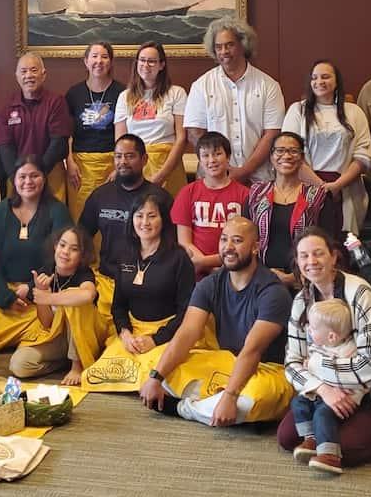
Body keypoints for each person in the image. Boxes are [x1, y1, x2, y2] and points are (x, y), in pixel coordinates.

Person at [279, 228, 371, 467]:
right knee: (287, 437)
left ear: (333, 257)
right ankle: (326, 438)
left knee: (345, 449)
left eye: (318, 253)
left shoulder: (360, 292)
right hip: (324, 393)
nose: (311, 261)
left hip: (367, 393)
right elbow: (291, 364)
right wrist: (323, 390)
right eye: (304, 256)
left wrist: (316, 365)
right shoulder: (301, 301)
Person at [138, 216, 294, 426]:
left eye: (237, 241)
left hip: (267, 370)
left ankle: (182, 407)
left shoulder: (273, 292)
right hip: (226, 363)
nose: (228, 247)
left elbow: (252, 351)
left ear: (255, 247)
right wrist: (156, 377)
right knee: (154, 363)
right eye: (223, 240)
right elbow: (186, 333)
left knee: (253, 397)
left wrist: (230, 396)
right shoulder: (210, 284)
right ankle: (210, 404)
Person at [83, 193, 195, 392]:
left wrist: (155, 340)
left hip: (168, 333)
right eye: (139, 215)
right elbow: (119, 305)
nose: (145, 222)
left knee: (159, 369)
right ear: (131, 219)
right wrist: (125, 334)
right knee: (97, 374)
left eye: (152, 216)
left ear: (163, 220)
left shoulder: (179, 258)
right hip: (134, 332)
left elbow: (187, 312)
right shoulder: (125, 254)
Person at [78, 134, 172, 319]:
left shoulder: (160, 198)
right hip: (106, 282)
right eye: (118, 156)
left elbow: (171, 246)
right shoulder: (100, 195)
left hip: (146, 284)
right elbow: (81, 237)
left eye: (130, 156)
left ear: (144, 159)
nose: (123, 162)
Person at [0, 155, 74, 350]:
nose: (28, 182)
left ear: (44, 178)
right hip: (5, 298)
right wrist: (4, 296)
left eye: (34, 176)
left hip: (42, 296)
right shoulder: (1, 211)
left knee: (50, 329)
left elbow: (62, 258)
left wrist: (30, 287)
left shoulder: (57, 211)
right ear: (14, 180)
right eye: (22, 176)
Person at [184, 17, 284, 184]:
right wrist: (220, 168)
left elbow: (272, 134)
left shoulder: (268, 85)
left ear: (243, 45)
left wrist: (245, 171)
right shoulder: (201, 86)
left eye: (229, 45)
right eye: (218, 47)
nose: (224, 51)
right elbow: (195, 133)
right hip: (213, 180)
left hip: (259, 179)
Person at [282, 59, 371, 236]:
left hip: (345, 188)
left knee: (342, 244)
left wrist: (337, 186)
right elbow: (289, 152)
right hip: (306, 185)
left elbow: (364, 155)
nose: (319, 82)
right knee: (308, 240)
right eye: (314, 78)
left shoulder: (354, 112)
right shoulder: (297, 111)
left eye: (325, 77)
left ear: (336, 81)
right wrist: (321, 187)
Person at [7, 226, 104, 385]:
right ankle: (63, 362)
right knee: (18, 365)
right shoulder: (47, 271)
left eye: (74, 249)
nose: (65, 252)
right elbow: (47, 323)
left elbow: (88, 295)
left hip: (84, 338)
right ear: (55, 246)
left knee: (74, 299)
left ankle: (76, 366)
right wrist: (41, 291)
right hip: (58, 338)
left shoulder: (84, 273)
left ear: (82, 255)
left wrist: (50, 297)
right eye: (62, 245)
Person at [244, 132, 332, 287]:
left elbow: (329, 243)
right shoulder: (257, 193)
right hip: (259, 280)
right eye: (280, 150)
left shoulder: (318, 196)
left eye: (293, 151)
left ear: (302, 158)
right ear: (271, 156)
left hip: (306, 281)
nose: (286, 156)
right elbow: (246, 238)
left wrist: (293, 278)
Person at [289, 299, 364, 474]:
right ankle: (311, 439)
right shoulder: (319, 346)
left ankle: (330, 456)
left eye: (313, 328)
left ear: (331, 336)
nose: (308, 329)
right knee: (298, 403)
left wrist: (313, 365)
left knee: (322, 415)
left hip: (343, 399)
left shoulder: (349, 351)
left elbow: (344, 373)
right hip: (321, 393)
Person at [0, 53, 73, 200]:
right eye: (23, 71)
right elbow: (4, 148)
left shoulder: (56, 102)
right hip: (17, 175)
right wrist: (20, 178)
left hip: (50, 173)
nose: (28, 75)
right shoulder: (6, 107)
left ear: (44, 74)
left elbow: (59, 144)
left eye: (34, 70)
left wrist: (38, 173)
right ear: (17, 76)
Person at [172, 131, 250, 280]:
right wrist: (201, 263)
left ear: (228, 157)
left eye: (217, 154)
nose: (212, 160)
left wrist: (206, 262)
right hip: (195, 272)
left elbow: (246, 242)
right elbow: (184, 241)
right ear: (199, 161)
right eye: (205, 155)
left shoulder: (245, 195)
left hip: (234, 271)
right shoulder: (187, 192)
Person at [115, 41, 188, 198]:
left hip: (169, 164)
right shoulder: (124, 97)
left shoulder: (177, 93)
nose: (145, 65)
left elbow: (182, 138)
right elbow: (120, 140)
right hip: (135, 165)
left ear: (161, 65)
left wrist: (161, 175)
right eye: (142, 60)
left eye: (151, 61)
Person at [65, 42, 125, 222]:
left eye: (105, 57)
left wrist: (119, 166)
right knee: (82, 218)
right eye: (94, 56)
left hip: (111, 163)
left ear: (111, 62)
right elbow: (67, 133)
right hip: (80, 166)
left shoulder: (122, 93)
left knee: (112, 217)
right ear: (86, 61)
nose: (99, 61)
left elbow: (125, 133)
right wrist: (69, 162)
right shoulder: (74, 93)